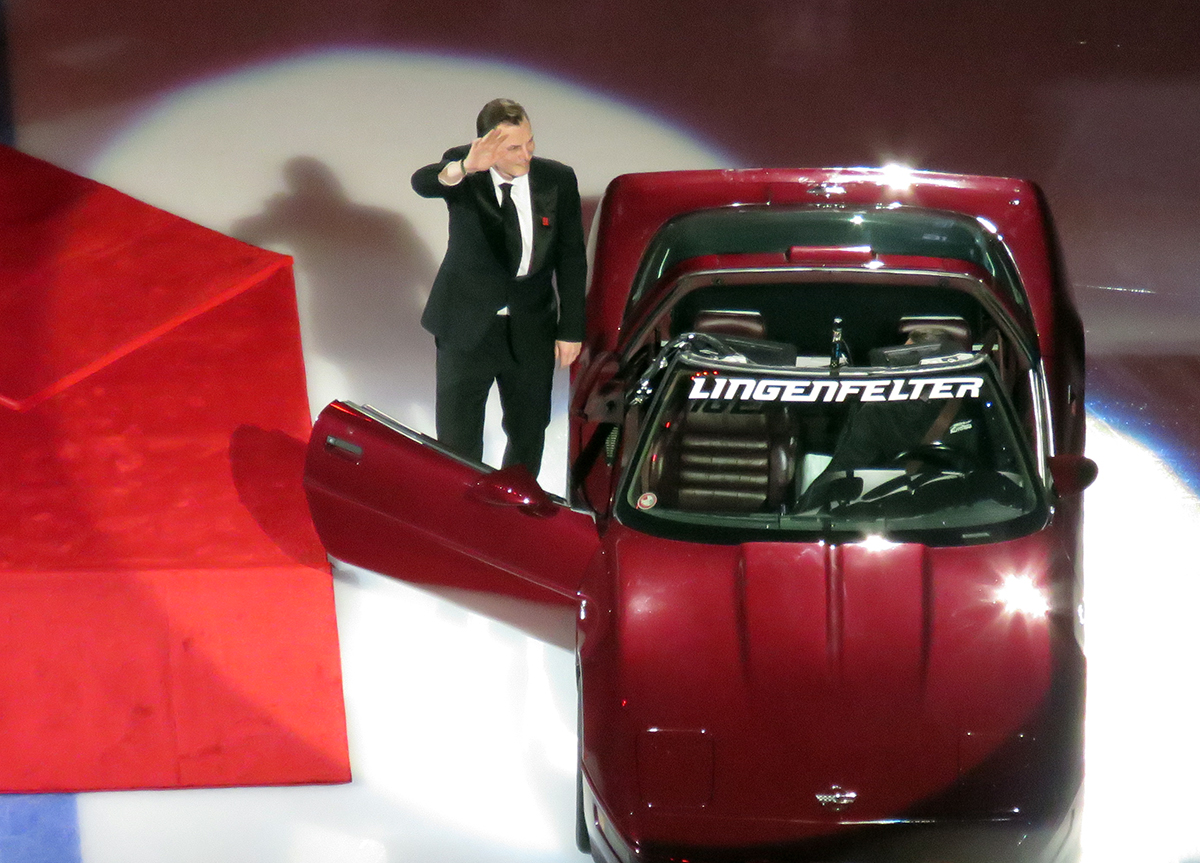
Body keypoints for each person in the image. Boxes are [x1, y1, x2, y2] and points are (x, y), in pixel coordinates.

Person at [411, 98, 586, 478]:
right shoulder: (465, 168)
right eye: (513, 147)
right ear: (486, 145)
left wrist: (571, 328)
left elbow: (571, 256)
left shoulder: (556, 178)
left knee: (528, 431)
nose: (526, 154)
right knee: (457, 439)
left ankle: (515, 506)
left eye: (530, 142)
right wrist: (464, 167)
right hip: (466, 323)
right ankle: (459, 507)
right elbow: (422, 182)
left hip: (531, 324)